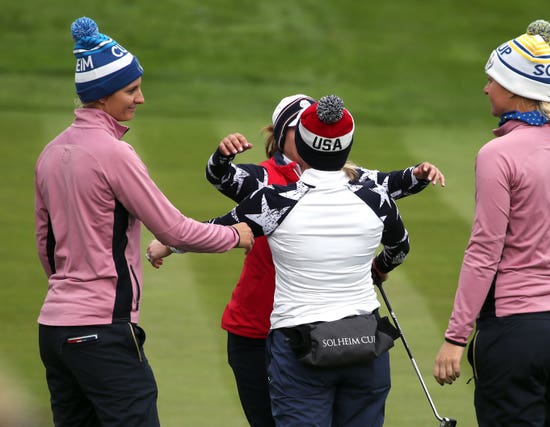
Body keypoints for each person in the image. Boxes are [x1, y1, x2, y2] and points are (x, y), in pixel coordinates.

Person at [34, 17, 253, 427]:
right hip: (102, 330)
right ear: (101, 96)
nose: (141, 99)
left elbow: (46, 245)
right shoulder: (114, 154)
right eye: (131, 90)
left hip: (54, 330)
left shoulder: (50, 153)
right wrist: (236, 236)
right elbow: (173, 229)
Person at [148, 94, 412, 426]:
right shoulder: (376, 198)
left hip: (301, 349)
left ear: (301, 142)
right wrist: (380, 268)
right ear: (347, 146)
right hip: (364, 346)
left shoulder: (277, 202)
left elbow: (218, 230)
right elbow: (400, 247)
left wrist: (171, 244)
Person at [432, 20, 550, 427]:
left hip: (516, 336)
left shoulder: (497, 154)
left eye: (493, 79)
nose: (486, 88)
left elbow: (485, 251)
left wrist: (455, 338)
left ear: (512, 89)